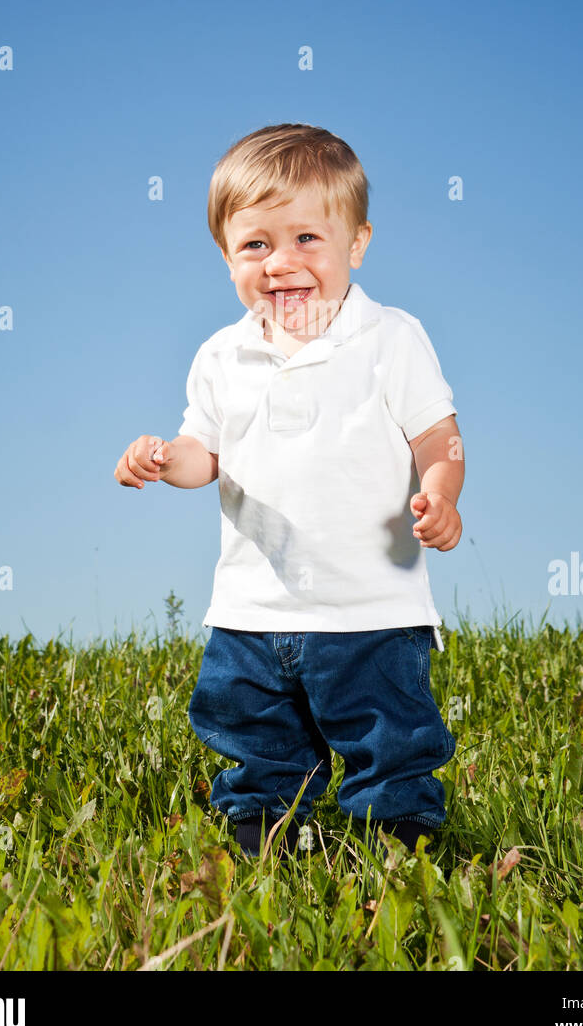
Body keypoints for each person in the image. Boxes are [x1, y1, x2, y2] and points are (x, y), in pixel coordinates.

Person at [114, 123, 465, 859]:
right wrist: (162, 458)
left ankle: (398, 848)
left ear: (356, 244)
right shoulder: (221, 356)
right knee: (255, 736)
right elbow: (203, 453)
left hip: (372, 607)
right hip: (251, 610)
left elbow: (438, 436)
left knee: (388, 737)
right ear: (226, 256)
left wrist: (441, 490)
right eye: (257, 245)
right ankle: (265, 841)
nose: (282, 264)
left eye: (308, 239)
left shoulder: (390, 339)